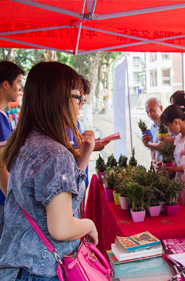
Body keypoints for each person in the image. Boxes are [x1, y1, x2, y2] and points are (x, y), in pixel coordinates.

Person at [0, 62, 98, 280]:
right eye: (77, 96)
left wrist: (83, 157)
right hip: (41, 270)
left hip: (19, 267)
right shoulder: (55, 154)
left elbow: (59, 196)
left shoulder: (25, 141)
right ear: (58, 98)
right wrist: (90, 225)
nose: (80, 104)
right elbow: (61, 228)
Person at [0, 61, 25, 238]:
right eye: (18, 82)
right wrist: (15, 201)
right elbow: (1, 166)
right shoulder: (1, 118)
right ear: (5, 84)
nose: (20, 88)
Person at [160, 104, 185, 180]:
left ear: (176, 122)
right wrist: (165, 166)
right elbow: (177, 161)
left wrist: (175, 170)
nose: (168, 130)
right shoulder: (178, 137)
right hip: (181, 181)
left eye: (168, 126)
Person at [141, 98, 163, 162]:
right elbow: (152, 149)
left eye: (152, 110)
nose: (150, 115)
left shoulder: (169, 125)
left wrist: (147, 144)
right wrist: (153, 160)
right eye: (147, 112)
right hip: (157, 167)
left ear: (160, 108)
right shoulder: (153, 126)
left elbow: (163, 146)